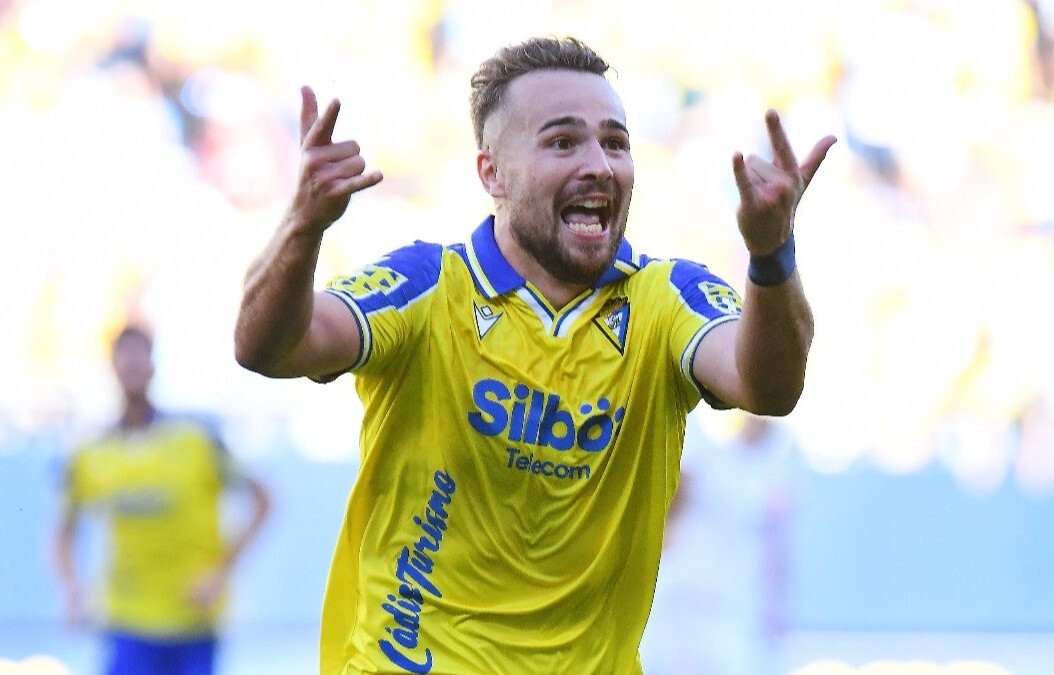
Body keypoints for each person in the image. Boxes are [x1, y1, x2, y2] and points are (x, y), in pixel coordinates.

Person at [234, 35, 834, 674]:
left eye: (615, 141)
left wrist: (771, 255)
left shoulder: (666, 301)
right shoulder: (427, 288)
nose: (599, 164)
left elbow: (769, 389)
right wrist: (302, 226)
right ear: (491, 171)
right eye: (563, 141)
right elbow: (269, 347)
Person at [55, 325, 271, 675]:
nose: (132, 369)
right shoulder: (92, 453)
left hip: (193, 622)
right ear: (112, 369)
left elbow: (263, 499)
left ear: (153, 367)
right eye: (124, 361)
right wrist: (72, 589)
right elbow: (62, 530)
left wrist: (221, 574)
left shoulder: (197, 439)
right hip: (128, 621)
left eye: (139, 359)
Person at [641, 414, 798, 675]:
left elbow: (775, 553)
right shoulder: (698, 434)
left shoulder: (776, 457)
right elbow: (663, 512)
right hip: (685, 610)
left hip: (739, 616)